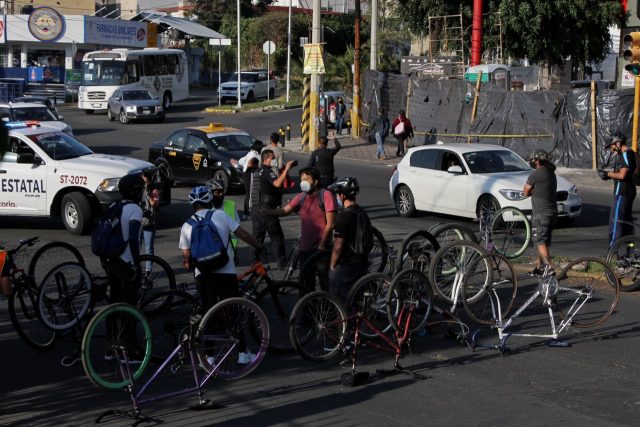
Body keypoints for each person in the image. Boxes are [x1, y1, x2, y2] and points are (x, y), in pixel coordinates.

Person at [179, 185, 263, 313]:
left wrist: (188, 262)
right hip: (226, 271)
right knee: (231, 311)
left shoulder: (186, 226)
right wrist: (259, 246)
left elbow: (186, 256)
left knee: (209, 312)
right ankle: (230, 332)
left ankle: (211, 331)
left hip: (203, 274)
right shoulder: (220, 215)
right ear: (210, 201)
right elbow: (244, 235)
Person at [264, 167, 337, 292]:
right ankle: (307, 309)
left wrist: (322, 244)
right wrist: (267, 211)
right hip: (305, 249)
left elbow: (330, 224)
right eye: (302, 179)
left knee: (325, 283)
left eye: (307, 179)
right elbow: (284, 211)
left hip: (321, 249)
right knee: (305, 285)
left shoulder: (326, 195)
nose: (303, 182)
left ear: (316, 181)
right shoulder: (301, 196)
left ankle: (329, 309)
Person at [103, 173, 145, 362]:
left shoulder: (114, 206)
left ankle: (112, 348)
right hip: (126, 262)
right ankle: (128, 349)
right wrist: (137, 264)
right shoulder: (134, 209)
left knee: (114, 305)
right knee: (129, 307)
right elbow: (134, 239)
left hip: (111, 261)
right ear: (136, 191)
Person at [328, 177, 372, 302]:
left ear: (342, 195)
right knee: (356, 300)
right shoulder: (362, 212)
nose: (337, 197)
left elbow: (338, 246)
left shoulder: (343, 216)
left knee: (339, 303)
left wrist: (332, 266)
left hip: (347, 266)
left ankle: (342, 321)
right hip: (362, 263)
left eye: (337, 195)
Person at [251, 149, 296, 267]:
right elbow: (277, 184)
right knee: (277, 237)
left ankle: (255, 263)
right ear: (266, 159)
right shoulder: (267, 171)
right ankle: (281, 262)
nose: (274, 161)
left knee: (257, 238)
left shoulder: (258, 171)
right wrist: (286, 169)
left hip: (257, 208)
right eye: (272, 158)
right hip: (267, 209)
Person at [598, 132, 637, 247]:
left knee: (616, 222)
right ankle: (631, 250)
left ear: (618, 143)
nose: (612, 149)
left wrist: (607, 174)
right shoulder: (630, 153)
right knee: (627, 222)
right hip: (629, 191)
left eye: (612, 146)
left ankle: (612, 251)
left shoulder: (624, 154)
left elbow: (622, 175)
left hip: (622, 192)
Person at [523, 150, 558, 276]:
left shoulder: (536, 174)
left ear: (537, 161)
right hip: (552, 212)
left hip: (541, 213)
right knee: (543, 240)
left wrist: (532, 192)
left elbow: (526, 191)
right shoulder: (551, 173)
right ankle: (540, 266)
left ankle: (549, 268)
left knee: (540, 240)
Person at [141, 168, 161, 275]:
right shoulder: (139, 189)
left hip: (149, 222)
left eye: (145, 181)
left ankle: (148, 272)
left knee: (148, 248)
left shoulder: (154, 191)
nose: (144, 184)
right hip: (139, 222)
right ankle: (136, 268)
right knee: (136, 247)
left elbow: (155, 205)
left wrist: (149, 195)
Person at [239, 140, 264, 218]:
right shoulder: (254, 154)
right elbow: (250, 164)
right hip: (249, 174)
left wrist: (245, 166)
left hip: (245, 174)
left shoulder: (250, 153)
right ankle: (247, 213)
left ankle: (246, 212)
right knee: (250, 194)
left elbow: (240, 161)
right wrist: (257, 167)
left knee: (248, 193)